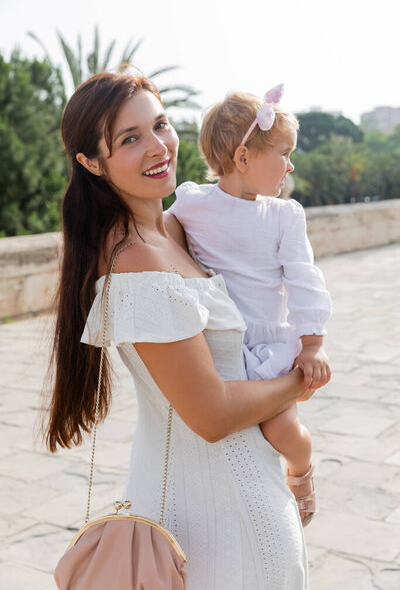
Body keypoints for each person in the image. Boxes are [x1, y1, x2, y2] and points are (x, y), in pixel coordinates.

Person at [45, 72, 323, 590]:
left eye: (161, 125)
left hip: (229, 501)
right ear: (90, 162)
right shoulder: (137, 261)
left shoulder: (174, 228)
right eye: (130, 139)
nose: (158, 147)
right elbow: (212, 414)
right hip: (214, 525)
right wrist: (300, 382)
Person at [168, 84, 332, 527]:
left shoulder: (283, 216)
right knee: (224, 435)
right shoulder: (192, 204)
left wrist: (312, 344)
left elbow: (303, 279)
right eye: (283, 153)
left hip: (269, 345)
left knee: (281, 432)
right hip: (222, 347)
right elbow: (157, 231)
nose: (291, 164)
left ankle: (301, 468)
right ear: (243, 159)